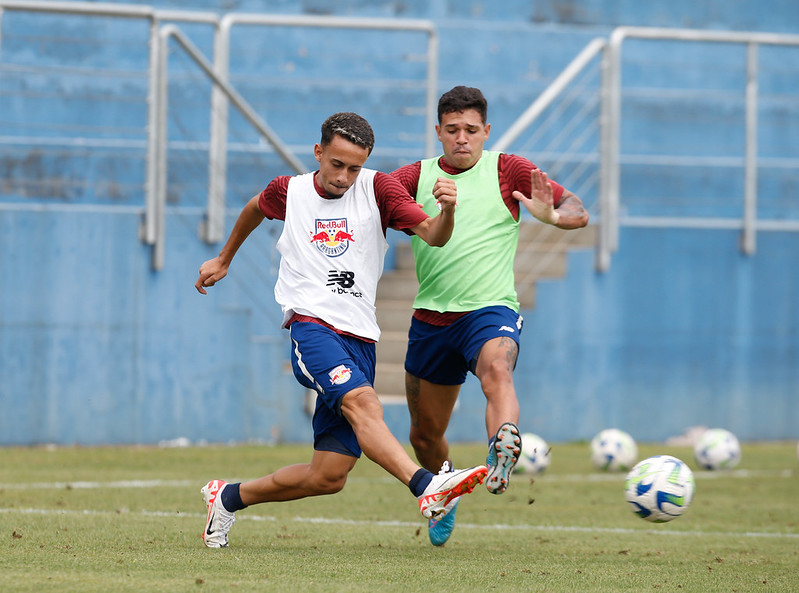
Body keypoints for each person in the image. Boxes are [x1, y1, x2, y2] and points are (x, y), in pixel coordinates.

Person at [194, 112, 487, 548]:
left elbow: (433, 235)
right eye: (336, 164)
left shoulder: (378, 188)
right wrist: (224, 258)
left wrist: (447, 210)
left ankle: (228, 497)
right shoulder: (288, 190)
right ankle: (426, 486)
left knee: (328, 476)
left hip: (360, 336)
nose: (344, 176)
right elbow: (256, 206)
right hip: (311, 326)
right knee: (363, 401)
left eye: (354, 167)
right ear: (318, 152)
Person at [390, 86, 589, 546]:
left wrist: (552, 216)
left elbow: (577, 211)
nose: (462, 138)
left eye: (471, 130)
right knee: (423, 437)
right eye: (453, 130)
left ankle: (503, 446)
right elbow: (366, 204)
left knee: (497, 369)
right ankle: (447, 490)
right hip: (431, 318)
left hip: (491, 308)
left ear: (486, 132)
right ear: (438, 131)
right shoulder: (411, 177)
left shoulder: (509, 169)